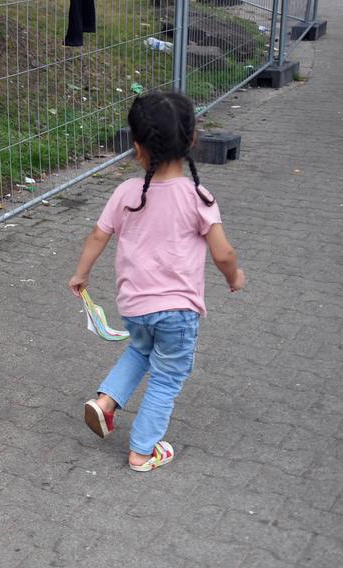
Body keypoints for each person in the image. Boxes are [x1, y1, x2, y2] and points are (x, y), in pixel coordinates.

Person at [68, 91, 245, 472]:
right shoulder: (198, 197)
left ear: (136, 146)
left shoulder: (126, 193)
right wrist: (235, 276)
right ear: (193, 141)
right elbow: (223, 253)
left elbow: (98, 236)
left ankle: (105, 402)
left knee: (139, 352)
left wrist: (81, 274)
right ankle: (143, 450)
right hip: (177, 313)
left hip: (134, 307)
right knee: (167, 377)